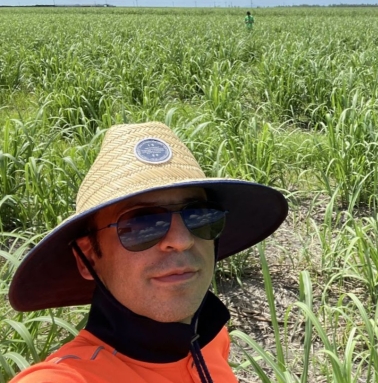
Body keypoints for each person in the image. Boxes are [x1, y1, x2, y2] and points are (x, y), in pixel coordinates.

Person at [8, 121, 288, 383]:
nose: (181, 240)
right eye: (142, 224)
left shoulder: (211, 339)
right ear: (89, 257)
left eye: (200, 216)